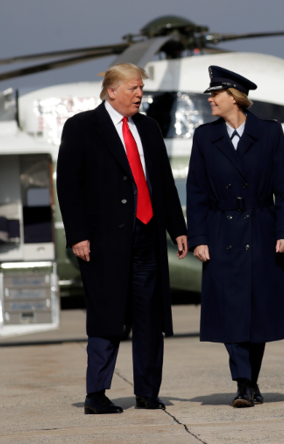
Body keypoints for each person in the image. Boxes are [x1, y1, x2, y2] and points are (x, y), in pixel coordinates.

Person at [57, 63, 188, 415]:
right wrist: (78, 236)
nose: (140, 94)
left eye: (141, 88)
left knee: (149, 317)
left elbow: (162, 183)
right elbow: (68, 187)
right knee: (107, 314)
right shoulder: (83, 127)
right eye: (133, 88)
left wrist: (178, 228)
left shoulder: (148, 127)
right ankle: (96, 393)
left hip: (146, 237)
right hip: (101, 242)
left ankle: (147, 392)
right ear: (111, 90)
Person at [187, 65, 284, 408]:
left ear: (234, 98)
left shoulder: (270, 132)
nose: (209, 99)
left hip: (262, 229)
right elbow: (196, 192)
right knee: (230, 308)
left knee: (258, 310)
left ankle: (251, 380)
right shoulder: (205, 136)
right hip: (222, 231)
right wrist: (199, 237)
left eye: (215, 93)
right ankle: (243, 383)